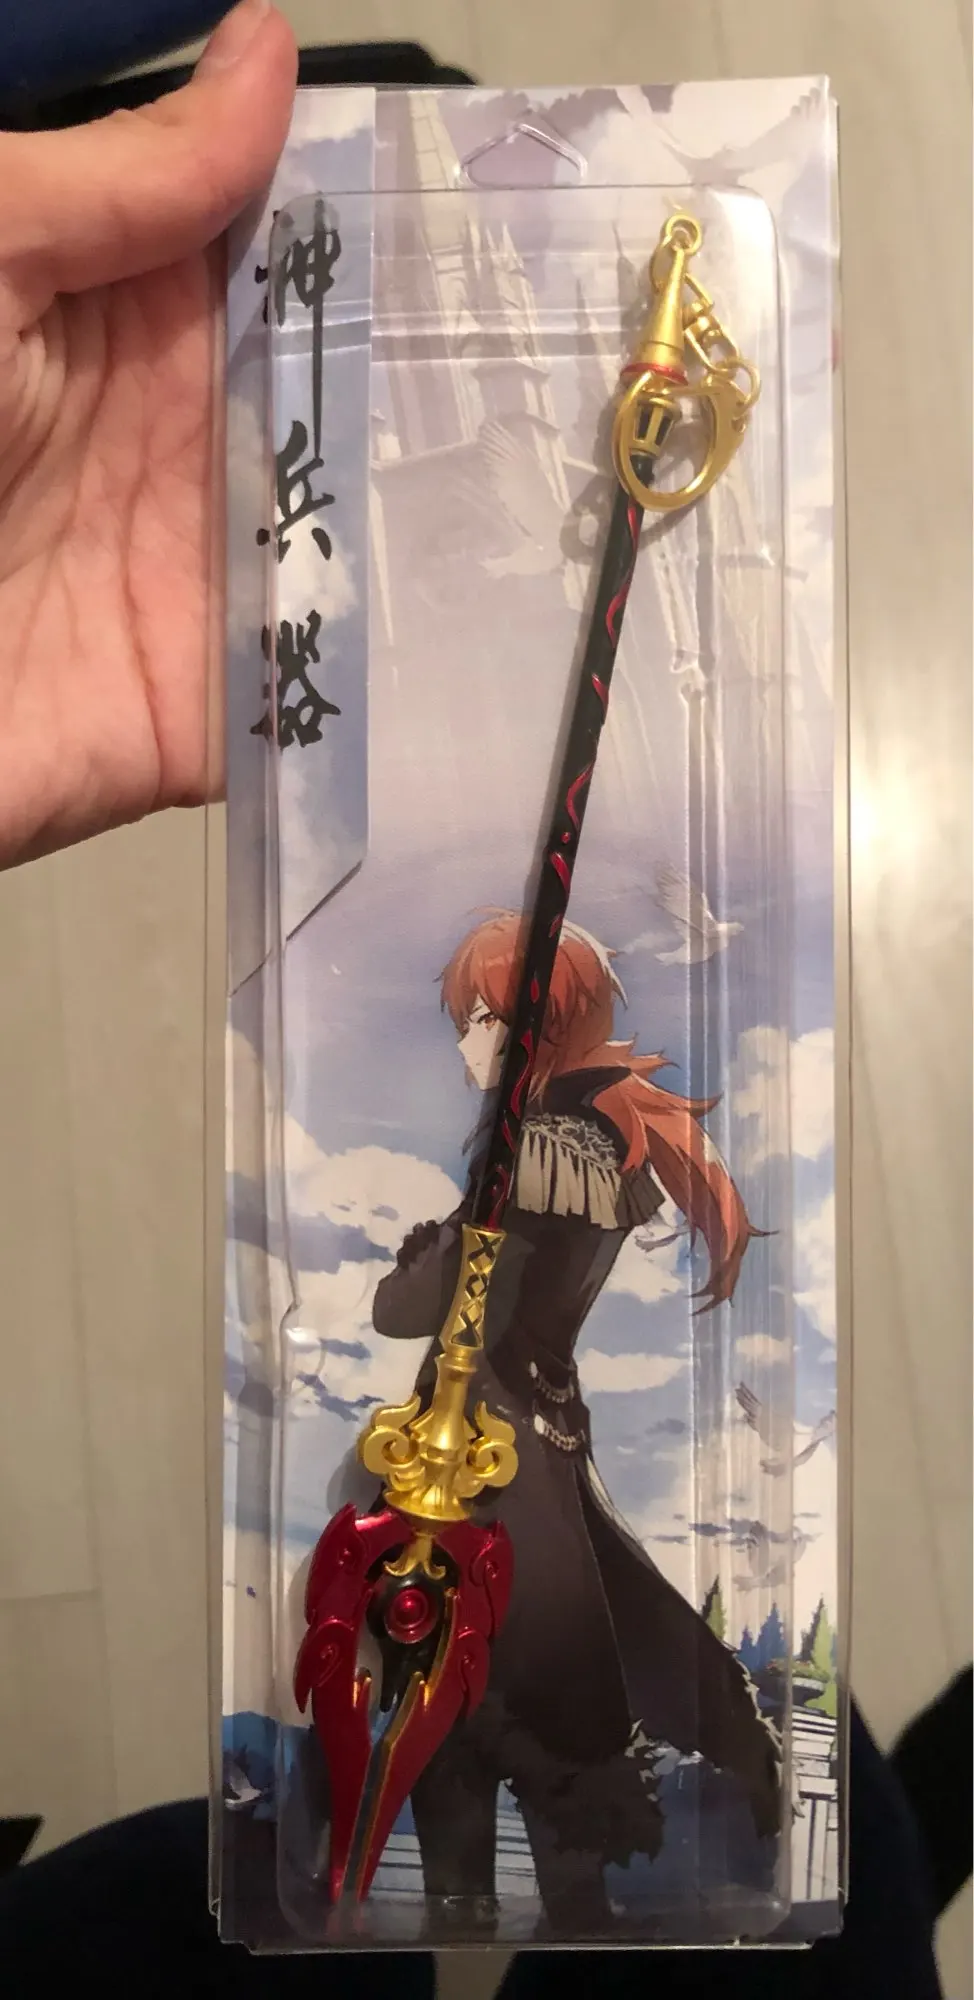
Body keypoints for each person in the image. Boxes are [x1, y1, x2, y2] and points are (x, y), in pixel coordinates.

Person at [0, 7, 957, 1994]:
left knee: (581, 1694)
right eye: (470, 1016)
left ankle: (591, 1837)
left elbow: (448, 1292)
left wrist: (454, 1259)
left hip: (509, 1453)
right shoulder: (549, 1142)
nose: (469, 1039)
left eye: (493, 1016)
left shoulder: (565, 1146)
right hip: (490, 1453)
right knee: (530, 1730)